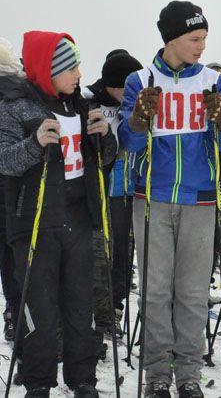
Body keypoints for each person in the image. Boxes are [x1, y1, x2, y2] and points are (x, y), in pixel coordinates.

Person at [118, 1, 221, 398]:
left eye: (204, 38)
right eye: (194, 39)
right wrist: (138, 119)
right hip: (151, 197)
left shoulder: (211, 80)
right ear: (172, 39)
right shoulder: (141, 78)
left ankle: (188, 372)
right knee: (155, 291)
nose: (202, 46)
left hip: (200, 199)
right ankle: (157, 375)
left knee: (191, 292)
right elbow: (129, 142)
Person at [0, 31, 116, 397]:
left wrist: (105, 138)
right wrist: (34, 144)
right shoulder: (17, 106)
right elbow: (5, 161)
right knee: (41, 309)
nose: (79, 74)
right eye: (70, 68)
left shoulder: (81, 105)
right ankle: (38, 382)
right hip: (34, 219)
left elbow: (105, 158)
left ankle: (82, 379)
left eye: (79, 66)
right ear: (47, 70)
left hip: (79, 216)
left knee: (80, 303)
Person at [82, 50, 143, 348]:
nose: (127, 92)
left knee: (122, 248)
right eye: (123, 86)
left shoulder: (131, 104)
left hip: (125, 187)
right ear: (110, 83)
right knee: (99, 252)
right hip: (97, 186)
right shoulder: (89, 100)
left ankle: (114, 307)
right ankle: (98, 311)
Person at [0, 38, 22, 343]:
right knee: (11, 253)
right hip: (14, 185)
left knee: (10, 253)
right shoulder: (20, 89)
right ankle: (16, 314)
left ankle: (16, 314)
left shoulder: (14, 92)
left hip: (10, 181)